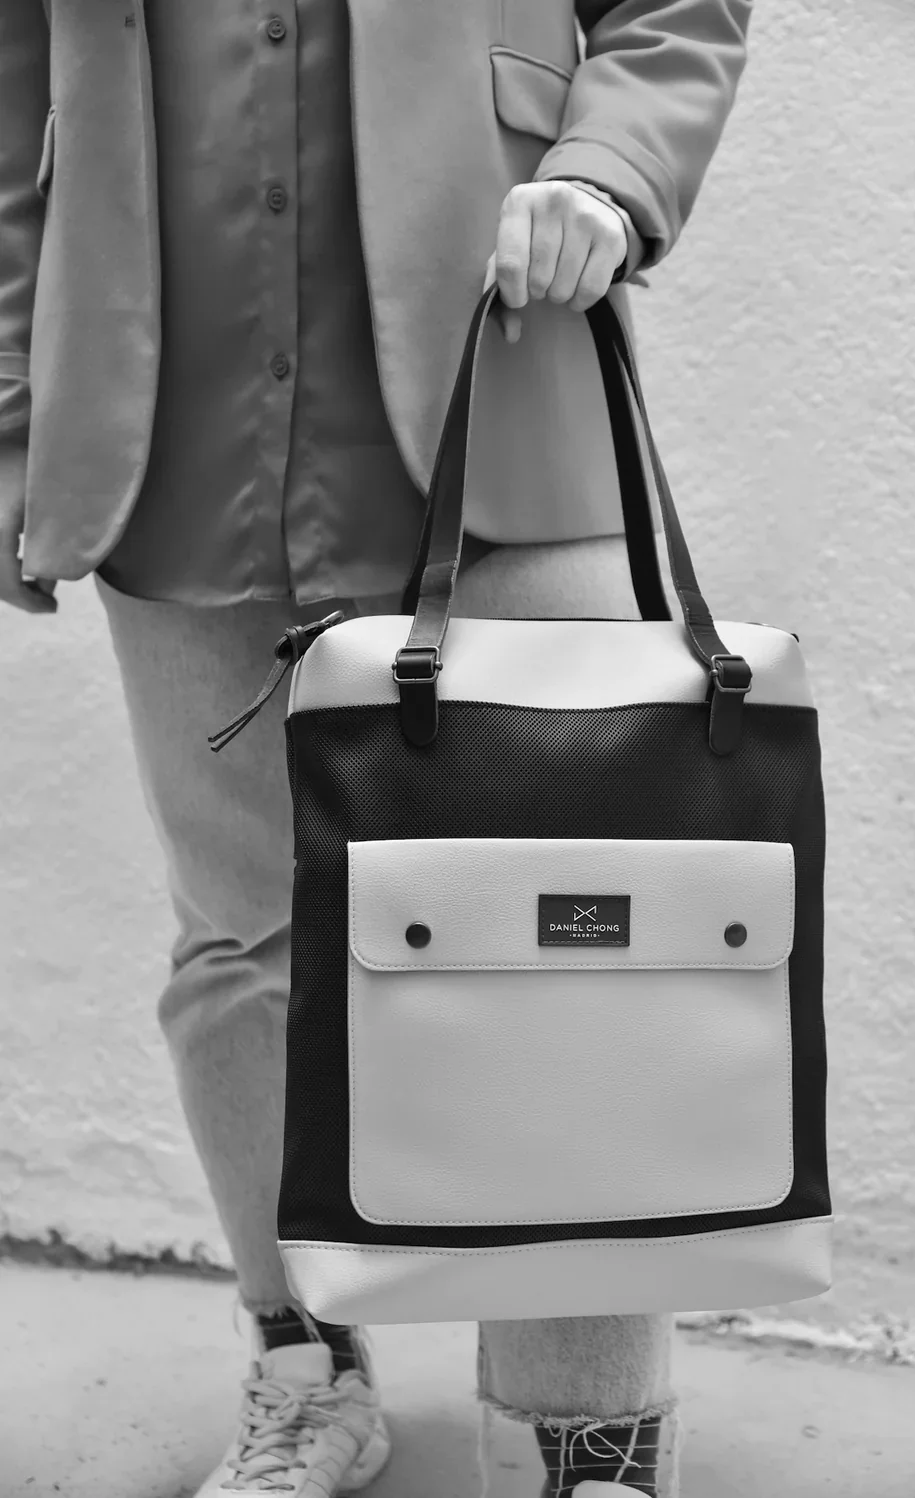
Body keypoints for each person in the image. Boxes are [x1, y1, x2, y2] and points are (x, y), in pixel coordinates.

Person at [0, 2, 752, 1494]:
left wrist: (607, 171)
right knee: (245, 947)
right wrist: (14, 418)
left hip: (503, 380)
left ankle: (582, 1439)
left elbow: (677, 11)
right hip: (174, 441)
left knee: (569, 958)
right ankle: (305, 1371)